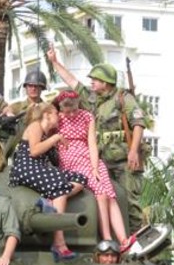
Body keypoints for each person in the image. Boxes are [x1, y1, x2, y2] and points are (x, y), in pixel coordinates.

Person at [47, 45, 148, 233]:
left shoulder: (122, 98)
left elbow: (139, 124)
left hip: (123, 160)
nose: (91, 82)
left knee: (130, 201)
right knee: (105, 197)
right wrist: (54, 62)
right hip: (99, 160)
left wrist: (134, 150)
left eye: (95, 79)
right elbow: (72, 81)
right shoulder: (91, 99)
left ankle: (137, 239)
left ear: (106, 81)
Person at [54, 90, 135, 253]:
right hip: (70, 157)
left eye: (74, 110)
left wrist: (95, 167)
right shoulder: (58, 118)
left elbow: (91, 143)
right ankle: (106, 237)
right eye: (66, 111)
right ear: (61, 109)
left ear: (78, 105)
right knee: (101, 193)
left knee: (110, 195)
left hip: (89, 157)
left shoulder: (86, 117)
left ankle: (123, 239)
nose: (70, 115)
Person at [9, 102, 86, 262]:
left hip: (40, 167)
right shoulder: (35, 126)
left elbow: (53, 161)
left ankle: (49, 201)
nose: (59, 117)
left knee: (79, 179)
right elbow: (35, 151)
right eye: (56, 113)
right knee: (59, 186)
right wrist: (55, 138)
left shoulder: (47, 133)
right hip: (26, 166)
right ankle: (59, 243)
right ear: (47, 114)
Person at [0, 68, 48, 157]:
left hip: (41, 146)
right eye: (30, 86)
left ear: (42, 88)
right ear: (26, 87)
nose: (33, 89)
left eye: (36, 86)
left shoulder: (47, 109)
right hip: (18, 147)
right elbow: (4, 116)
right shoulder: (16, 106)